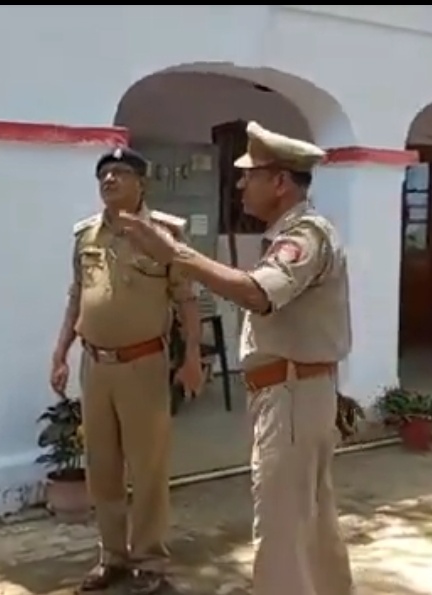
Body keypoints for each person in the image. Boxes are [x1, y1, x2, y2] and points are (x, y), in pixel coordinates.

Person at [117, 121, 353, 595]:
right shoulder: (293, 233)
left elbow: (257, 293)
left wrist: (177, 254)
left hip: (291, 395)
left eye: (250, 175)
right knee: (309, 519)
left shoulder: (304, 236)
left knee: (282, 526)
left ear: (280, 182)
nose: (241, 184)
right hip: (293, 392)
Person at [49, 146, 204, 594]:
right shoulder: (86, 235)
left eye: (120, 172)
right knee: (102, 467)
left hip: (144, 365)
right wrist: (60, 352)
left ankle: (150, 561)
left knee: (148, 468)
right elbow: (76, 296)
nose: (110, 180)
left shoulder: (165, 235)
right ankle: (112, 556)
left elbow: (187, 300)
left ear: (142, 183)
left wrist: (192, 358)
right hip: (96, 365)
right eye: (104, 173)